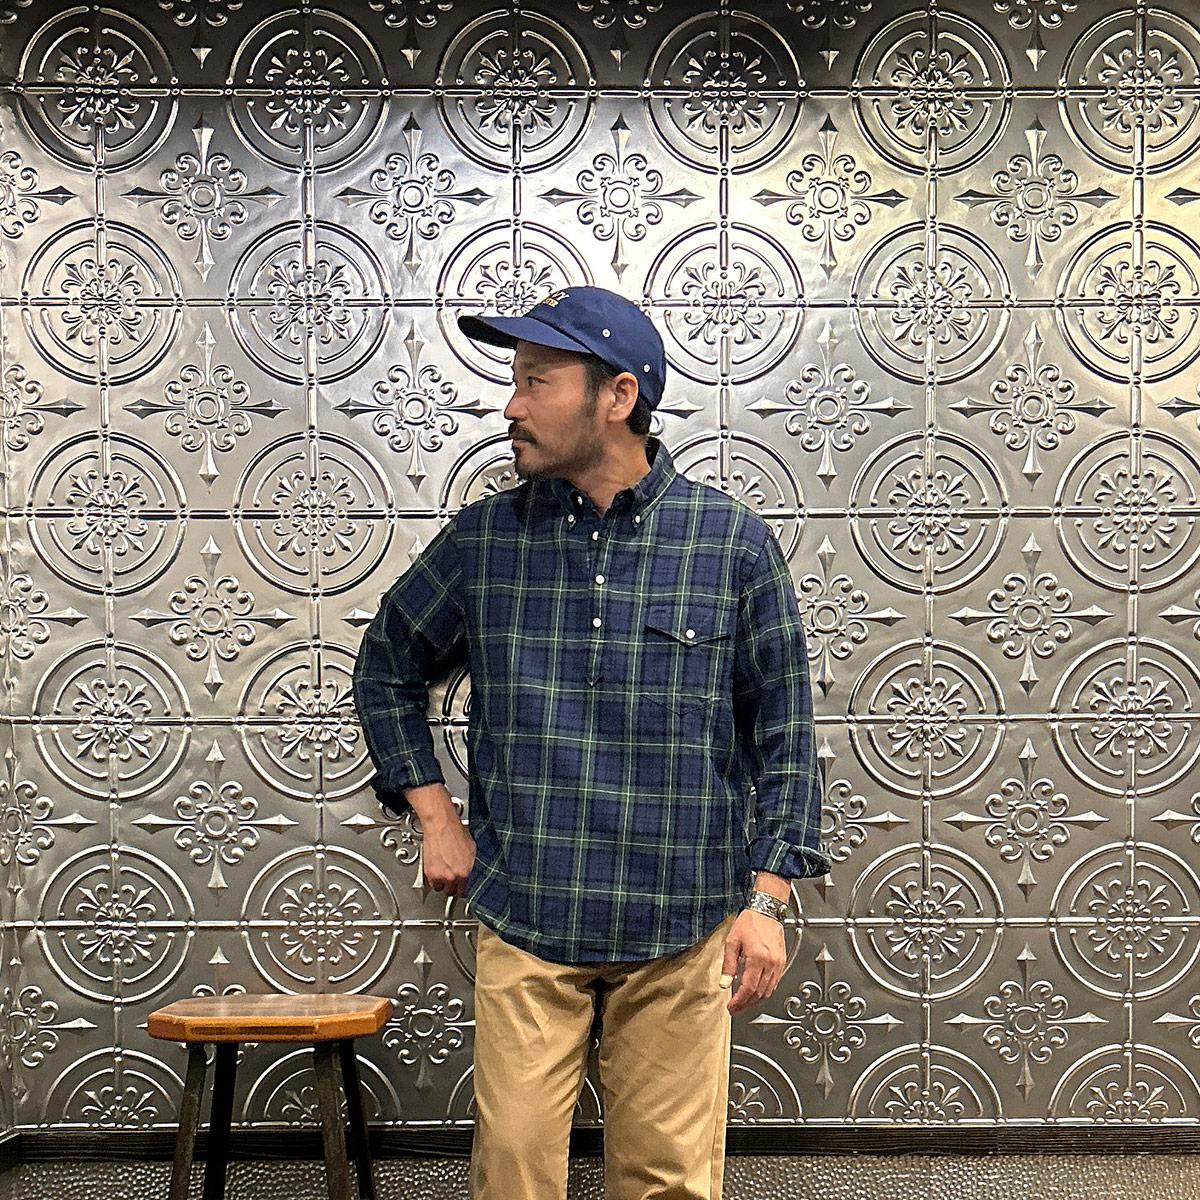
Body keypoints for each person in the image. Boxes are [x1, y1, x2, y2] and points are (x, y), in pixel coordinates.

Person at [351, 284, 829, 1200]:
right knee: (513, 1173)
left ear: (617, 395)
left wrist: (767, 901)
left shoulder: (729, 544)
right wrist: (435, 816)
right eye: (515, 380)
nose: (512, 405)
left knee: (668, 1183)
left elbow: (784, 732)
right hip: (529, 913)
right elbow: (385, 667)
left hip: (682, 923)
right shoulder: (486, 542)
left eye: (536, 380)